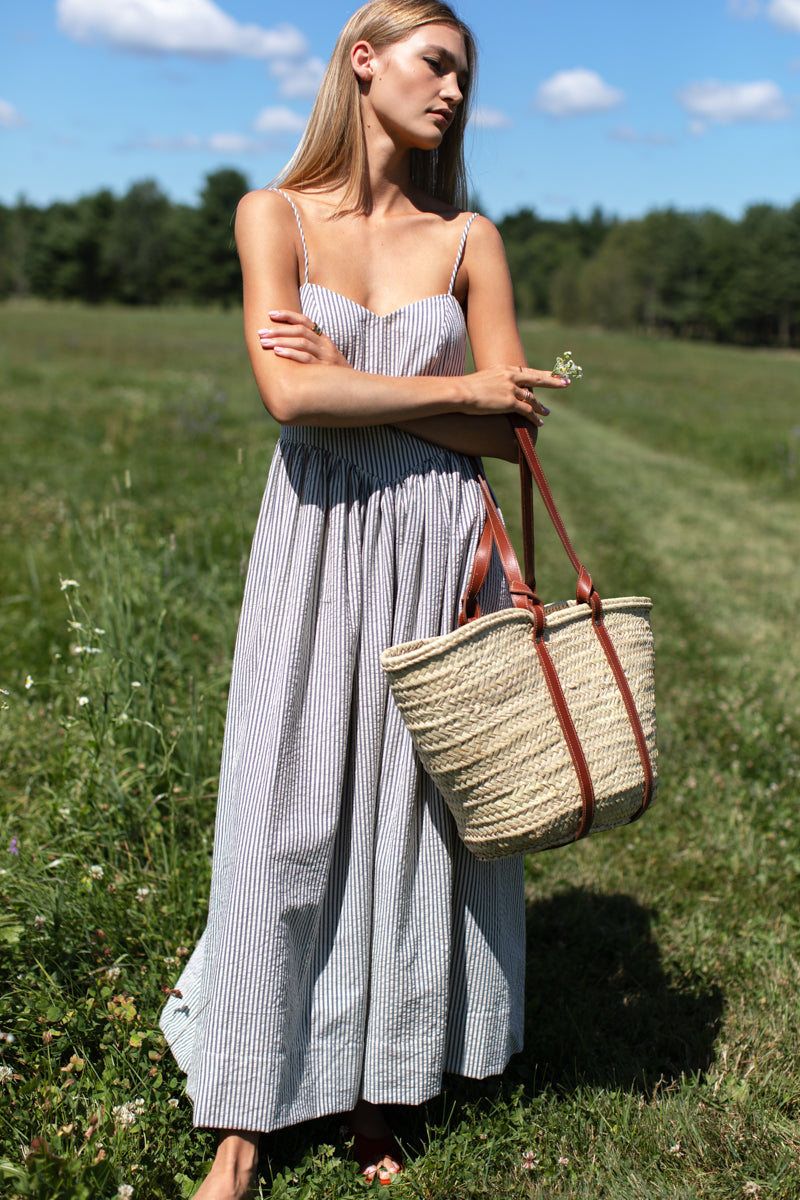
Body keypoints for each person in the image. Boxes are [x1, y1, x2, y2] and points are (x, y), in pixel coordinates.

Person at [160, 1, 571, 1195]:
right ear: (363, 61)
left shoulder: (468, 241)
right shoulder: (271, 214)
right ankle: (241, 1115)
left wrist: (356, 379)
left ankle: (377, 1089)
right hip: (317, 537)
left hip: (437, 544)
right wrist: (439, 389)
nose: (451, 91)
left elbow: (507, 429)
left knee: (409, 817)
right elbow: (286, 403)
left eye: (463, 76)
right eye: (434, 63)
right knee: (283, 816)